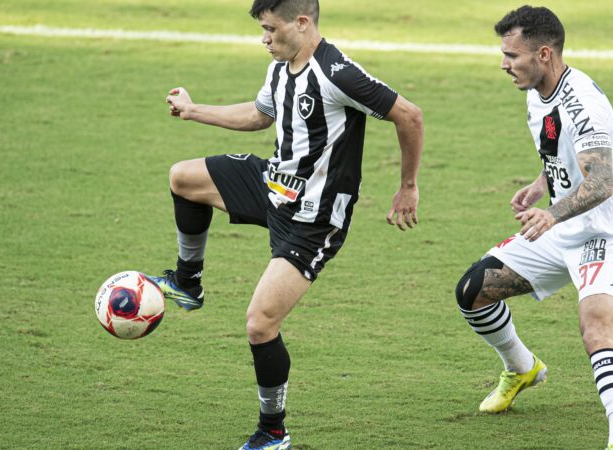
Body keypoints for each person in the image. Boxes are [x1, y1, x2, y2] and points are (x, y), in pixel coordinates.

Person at [148, 0, 423, 448]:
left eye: (271, 29)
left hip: (312, 220)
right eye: (262, 29)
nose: (264, 38)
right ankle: (186, 283)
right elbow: (260, 115)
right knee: (183, 178)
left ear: (302, 22)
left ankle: (273, 432)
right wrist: (195, 110)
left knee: (260, 323)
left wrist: (407, 185)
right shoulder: (281, 67)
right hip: (272, 184)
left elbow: (409, 114)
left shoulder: (338, 73)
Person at [454, 6, 613, 450]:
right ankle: (522, 368)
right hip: (557, 228)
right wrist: (543, 184)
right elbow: (562, 153)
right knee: (473, 289)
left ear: (543, 53)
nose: (504, 64)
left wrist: (551, 214)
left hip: (604, 235)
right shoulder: (537, 89)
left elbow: (599, 181)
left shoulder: (584, 103)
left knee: (596, 330)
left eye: (511, 55)